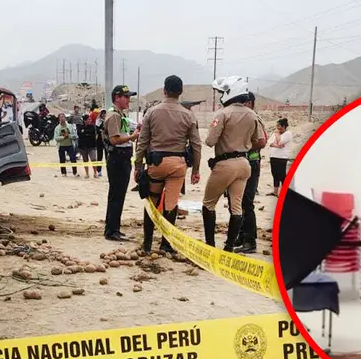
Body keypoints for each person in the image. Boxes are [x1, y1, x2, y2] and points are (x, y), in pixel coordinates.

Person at [133, 75, 202, 254]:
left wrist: (138, 165)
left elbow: (142, 141)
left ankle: (147, 244)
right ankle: (165, 244)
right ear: (180, 92)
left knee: (152, 202)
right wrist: (196, 169)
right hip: (178, 165)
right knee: (171, 205)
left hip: (157, 163)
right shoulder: (188, 115)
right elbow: (196, 145)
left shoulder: (152, 112)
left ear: (164, 90)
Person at [202, 76, 266, 251]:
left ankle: (210, 245)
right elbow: (260, 141)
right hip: (244, 164)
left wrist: (229, 144)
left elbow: (210, 141)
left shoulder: (223, 114)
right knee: (237, 207)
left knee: (208, 203)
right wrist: (242, 146)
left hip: (225, 163)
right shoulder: (253, 115)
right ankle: (229, 247)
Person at [102, 85, 140, 242]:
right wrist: (133, 137)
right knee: (116, 196)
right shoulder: (113, 116)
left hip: (121, 158)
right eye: (126, 97)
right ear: (117, 97)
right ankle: (112, 231)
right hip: (118, 158)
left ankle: (113, 228)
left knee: (118, 195)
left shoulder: (120, 115)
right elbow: (115, 139)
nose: (128, 100)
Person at [232, 92, 266, 254]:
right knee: (237, 202)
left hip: (251, 163)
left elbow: (262, 141)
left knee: (247, 202)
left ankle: (250, 241)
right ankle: (240, 236)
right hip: (241, 163)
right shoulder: (245, 118)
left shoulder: (254, 118)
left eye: (244, 103)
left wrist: (244, 146)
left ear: (250, 103)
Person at [268, 118, 294, 196]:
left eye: (279, 126)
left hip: (282, 157)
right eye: (277, 126)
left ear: (283, 126)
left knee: (282, 175)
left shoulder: (287, 134)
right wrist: (277, 146)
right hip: (273, 156)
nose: (277, 127)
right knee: (275, 174)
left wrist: (277, 135)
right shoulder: (275, 133)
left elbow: (280, 142)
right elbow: (270, 143)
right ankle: (275, 191)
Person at [76, 113, 100, 179]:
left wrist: (84, 132)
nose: (90, 120)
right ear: (85, 120)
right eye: (88, 119)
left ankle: (95, 173)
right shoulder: (80, 127)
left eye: (90, 119)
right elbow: (79, 134)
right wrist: (85, 133)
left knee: (93, 159)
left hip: (92, 146)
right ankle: (87, 174)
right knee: (85, 160)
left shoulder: (92, 127)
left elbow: (92, 134)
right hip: (83, 147)